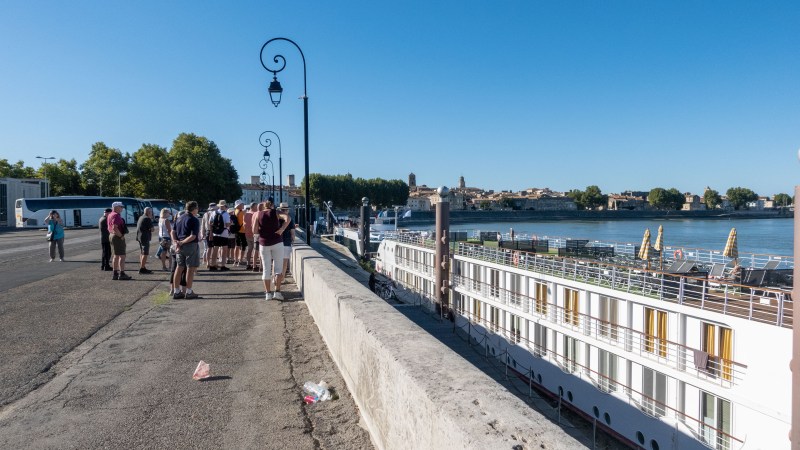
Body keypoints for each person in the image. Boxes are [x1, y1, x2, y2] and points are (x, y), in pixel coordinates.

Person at [254, 199, 288, 300]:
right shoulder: (276, 212)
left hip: (264, 243)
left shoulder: (258, 214)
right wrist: (282, 229)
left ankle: (268, 294)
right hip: (277, 242)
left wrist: (262, 232)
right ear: (272, 205)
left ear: (264, 206)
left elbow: (254, 230)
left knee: (266, 269)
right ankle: (277, 292)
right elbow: (288, 218)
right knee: (278, 269)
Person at [172, 201, 201, 299]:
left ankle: (176, 291)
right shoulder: (194, 219)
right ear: (194, 209)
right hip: (190, 245)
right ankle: (188, 291)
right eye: (197, 208)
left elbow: (173, 231)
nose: (198, 210)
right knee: (190, 268)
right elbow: (193, 236)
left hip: (179, 246)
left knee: (179, 267)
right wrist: (182, 242)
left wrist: (175, 241)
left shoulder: (179, 218)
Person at [108, 201, 132, 280]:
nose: (122, 208)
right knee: (122, 256)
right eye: (121, 207)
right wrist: (121, 236)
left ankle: (115, 274)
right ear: (116, 207)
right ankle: (122, 274)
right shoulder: (116, 215)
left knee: (116, 255)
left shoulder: (110, 214)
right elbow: (115, 227)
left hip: (112, 235)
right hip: (117, 236)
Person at [274, 202, 295, 289]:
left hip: (276, 242)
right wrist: (293, 239)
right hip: (286, 242)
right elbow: (292, 233)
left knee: (276, 262)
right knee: (284, 262)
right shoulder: (289, 219)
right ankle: (281, 279)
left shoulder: (276, 218)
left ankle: (274, 279)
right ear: (287, 210)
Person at [209, 200, 231, 271]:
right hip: (224, 233)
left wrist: (211, 232)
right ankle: (222, 265)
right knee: (224, 249)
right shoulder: (226, 214)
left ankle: (212, 265)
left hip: (215, 233)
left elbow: (210, 223)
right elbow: (227, 225)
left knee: (215, 249)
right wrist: (230, 223)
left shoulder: (213, 213)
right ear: (225, 206)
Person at [136, 207, 155, 274]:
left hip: (139, 236)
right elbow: (152, 229)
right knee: (145, 253)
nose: (151, 213)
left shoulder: (141, 217)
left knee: (142, 252)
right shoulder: (147, 219)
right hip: (145, 237)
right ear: (148, 212)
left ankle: (143, 267)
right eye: (151, 212)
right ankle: (142, 268)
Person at [200, 202, 216, 268]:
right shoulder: (215, 213)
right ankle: (213, 262)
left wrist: (202, 233)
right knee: (214, 248)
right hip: (214, 232)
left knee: (208, 248)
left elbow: (202, 225)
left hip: (207, 231)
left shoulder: (205, 214)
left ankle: (208, 262)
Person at [243, 202, 257, 270]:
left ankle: (248, 263)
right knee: (256, 250)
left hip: (247, 233)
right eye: (256, 206)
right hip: (254, 234)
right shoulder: (255, 214)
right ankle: (254, 265)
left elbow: (244, 224)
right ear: (253, 207)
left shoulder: (246, 214)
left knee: (249, 249)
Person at [233, 200, 247, 266]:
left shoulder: (235, 211)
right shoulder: (242, 212)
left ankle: (235, 260)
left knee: (237, 245)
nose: (243, 205)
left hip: (237, 230)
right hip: (242, 231)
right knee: (243, 246)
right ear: (239, 205)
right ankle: (240, 260)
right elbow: (244, 222)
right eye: (242, 204)